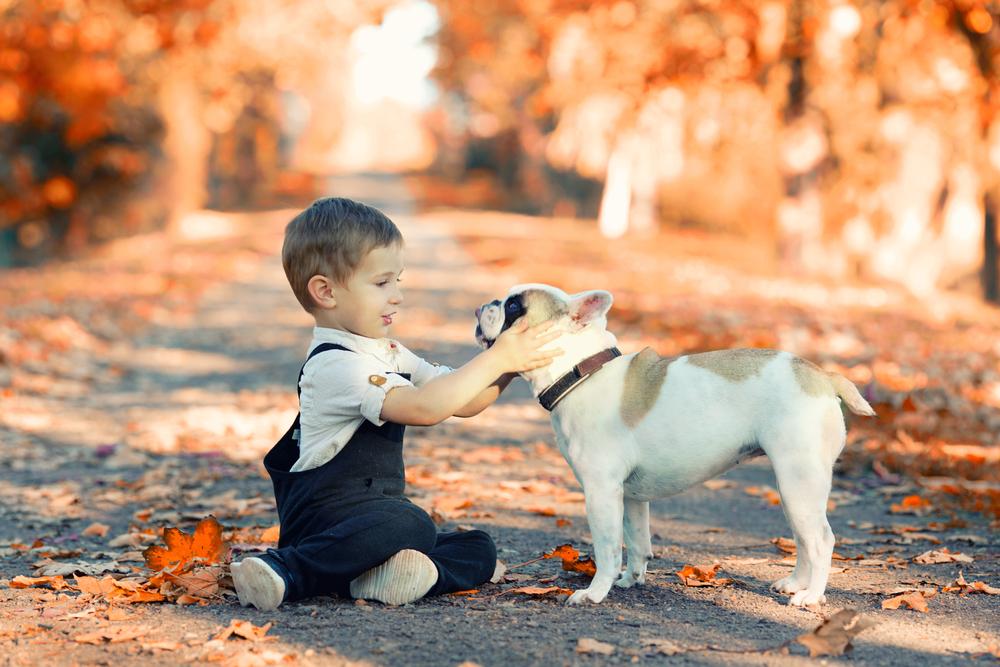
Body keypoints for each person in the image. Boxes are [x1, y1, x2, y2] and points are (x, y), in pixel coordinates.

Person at [231, 197, 560, 610]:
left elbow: (463, 401)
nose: (398, 295)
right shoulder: (335, 365)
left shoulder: (388, 351)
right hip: (323, 523)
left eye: (398, 281)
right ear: (326, 291)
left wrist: (512, 365)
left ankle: (384, 577)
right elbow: (425, 408)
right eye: (382, 283)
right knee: (409, 523)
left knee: (477, 545)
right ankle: (288, 569)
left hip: (372, 519)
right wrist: (497, 358)